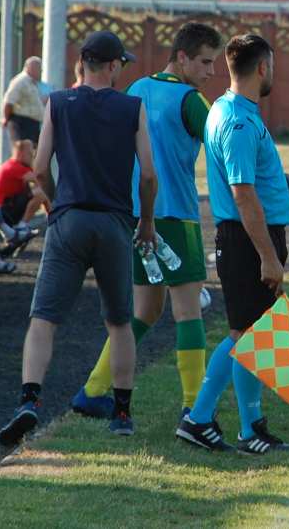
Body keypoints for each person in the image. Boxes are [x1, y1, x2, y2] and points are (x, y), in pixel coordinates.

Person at [0, 30, 158, 446]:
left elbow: (41, 168)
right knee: (120, 322)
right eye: (120, 63)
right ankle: (122, 412)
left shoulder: (58, 103)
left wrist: (55, 204)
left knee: (43, 320)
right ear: (109, 65)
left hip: (69, 219)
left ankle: (29, 400)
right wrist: (147, 223)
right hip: (114, 222)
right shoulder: (132, 107)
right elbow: (150, 174)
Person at [176, 34, 289, 455]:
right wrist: (267, 256)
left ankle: (251, 427)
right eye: (273, 66)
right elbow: (242, 193)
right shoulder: (239, 121)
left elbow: (250, 180)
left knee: (257, 333)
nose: (274, 73)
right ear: (262, 67)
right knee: (247, 334)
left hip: (247, 236)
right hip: (247, 241)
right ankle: (199, 419)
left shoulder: (230, 110)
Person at [71, 23, 223, 421]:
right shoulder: (192, 100)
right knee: (188, 311)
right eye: (206, 62)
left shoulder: (136, 89)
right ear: (183, 57)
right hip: (176, 219)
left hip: (138, 219)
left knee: (144, 312)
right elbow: (226, 145)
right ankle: (196, 407)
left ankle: (92, 390)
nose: (211, 72)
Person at [0, 139, 50, 228]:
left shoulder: (11, 164)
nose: (32, 156)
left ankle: (51, 219)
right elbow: (40, 183)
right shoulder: (17, 167)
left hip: (1, 209)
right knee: (41, 194)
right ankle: (22, 226)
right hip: (2, 213)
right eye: (30, 153)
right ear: (21, 154)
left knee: (39, 193)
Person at [2, 57, 45, 144]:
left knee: (32, 153)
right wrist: (6, 118)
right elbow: (9, 102)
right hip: (21, 124)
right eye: (39, 69)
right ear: (31, 68)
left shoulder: (31, 83)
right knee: (23, 153)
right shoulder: (20, 81)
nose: (41, 72)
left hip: (32, 124)